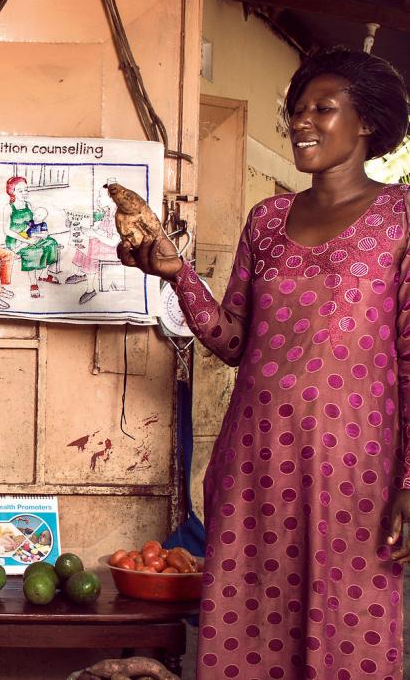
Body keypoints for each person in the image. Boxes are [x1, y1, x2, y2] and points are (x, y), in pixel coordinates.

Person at [118, 47, 410, 678]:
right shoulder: (268, 220)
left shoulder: (402, 217)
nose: (302, 121)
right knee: (250, 628)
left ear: (366, 124)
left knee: (346, 632)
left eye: (322, 109)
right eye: (297, 110)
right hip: (255, 459)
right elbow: (231, 341)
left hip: (355, 469)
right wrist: (177, 275)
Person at [4, 176, 62, 298]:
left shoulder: (29, 205)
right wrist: (26, 240)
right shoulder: (9, 208)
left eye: (26, 190)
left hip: (30, 235)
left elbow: (34, 222)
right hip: (16, 240)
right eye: (20, 190)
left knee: (51, 243)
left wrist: (42, 233)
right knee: (33, 251)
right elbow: (6, 231)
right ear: (12, 191)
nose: (24, 193)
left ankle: (44, 275)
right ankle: (33, 283)